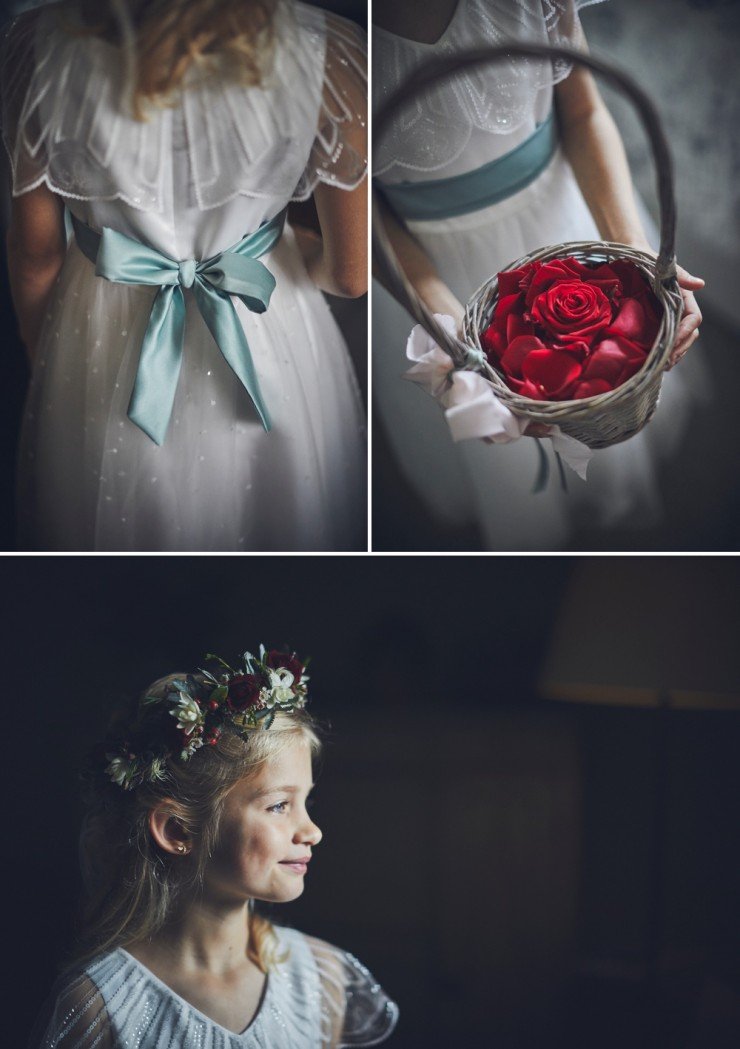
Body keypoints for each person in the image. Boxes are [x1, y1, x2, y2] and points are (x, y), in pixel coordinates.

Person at [2, 0, 367, 551]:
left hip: (96, 330)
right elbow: (350, 275)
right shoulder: (330, 53)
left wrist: (41, 351)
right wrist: (293, 255)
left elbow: (37, 255)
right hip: (267, 317)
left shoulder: (36, 47)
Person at [372, 0, 706, 551]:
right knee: (497, 441)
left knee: (606, 377)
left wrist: (639, 258)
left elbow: (583, 113)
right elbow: (364, 219)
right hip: (428, 267)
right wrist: (458, 340)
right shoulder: (333, 38)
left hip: (564, 221)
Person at [30, 646, 399, 1048]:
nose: (312, 831)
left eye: (306, 802)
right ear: (177, 831)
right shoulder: (99, 1008)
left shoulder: (322, 981)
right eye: (279, 805)